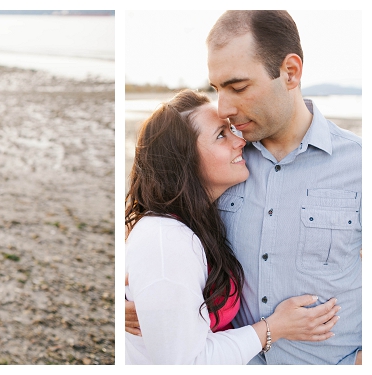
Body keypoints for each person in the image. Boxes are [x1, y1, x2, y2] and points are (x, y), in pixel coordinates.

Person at [126, 10, 362, 365]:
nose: (224, 107)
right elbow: (157, 220)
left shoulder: (360, 164)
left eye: (238, 87)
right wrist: (131, 297)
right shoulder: (219, 164)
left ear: (290, 72)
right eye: (216, 89)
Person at [124, 89, 339, 364]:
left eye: (231, 130)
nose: (240, 141)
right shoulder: (167, 240)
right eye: (221, 135)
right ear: (183, 159)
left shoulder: (201, 217)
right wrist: (274, 328)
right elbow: (186, 365)